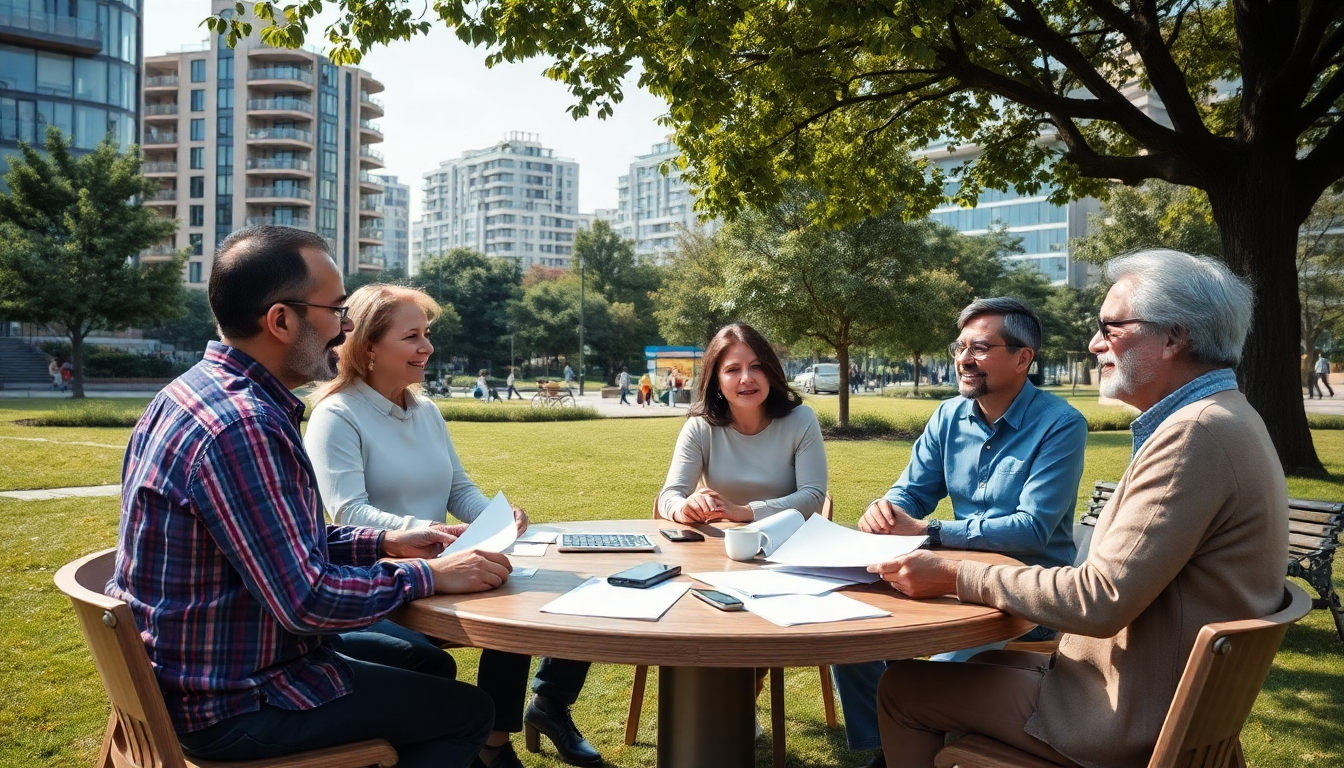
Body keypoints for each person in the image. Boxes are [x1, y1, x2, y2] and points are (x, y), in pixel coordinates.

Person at [110, 226, 513, 768]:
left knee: (425, 668)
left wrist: (386, 541)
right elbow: (306, 600)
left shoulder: (188, 395)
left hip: (208, 667)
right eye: (336, 310)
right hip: (236, 699)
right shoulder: (244, 426)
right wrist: (429, 575)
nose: (345, 326)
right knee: (467, 712)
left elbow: (280, 540)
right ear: (280, 320)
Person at [869, 250, 1288, 768]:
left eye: (1110, 328)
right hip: (1142, 688)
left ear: (1174, 336)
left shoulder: (1193, 434)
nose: (1094, 344)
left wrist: (954, 574)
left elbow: (1099, 597)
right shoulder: (1229, 416)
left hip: (1122, 714)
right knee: (968, 665)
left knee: (902, 687)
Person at [305, 284, 601, 768]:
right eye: (413, 336)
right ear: (369, 346)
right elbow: (348, 512)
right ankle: (484, 746)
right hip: (383, 580)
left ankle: (502, 738)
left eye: (426, 334)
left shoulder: (426, 410)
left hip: (443, 566)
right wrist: (429, 531)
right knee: (457, 644)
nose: (427, 347)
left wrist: (497, 517)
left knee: (540, 603)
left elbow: (458, 489)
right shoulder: (337, 414)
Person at [831, 298, 1087, 767]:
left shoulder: (1061, 424)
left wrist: (930, 531)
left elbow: (1031, 530)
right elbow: (912, 490)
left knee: (930, 679)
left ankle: (891, 755)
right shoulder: (949, 416)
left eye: (981, 348)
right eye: (960, 347)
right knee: (848, 637)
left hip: (1024, 599)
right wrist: (889, 511)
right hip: (952, 581)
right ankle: (889, 749)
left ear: (1023, 357)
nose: (964, 360)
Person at [658, 323, 827, 523]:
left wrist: (744, 512)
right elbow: (670, 495)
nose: (746, 378)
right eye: (733, 370)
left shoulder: (801, 420)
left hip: (789, 546)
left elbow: (813, 497)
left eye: (756, 367)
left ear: (770, 373)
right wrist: (684, 509)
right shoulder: (700, 428)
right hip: (722, 546)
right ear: (717, 381)